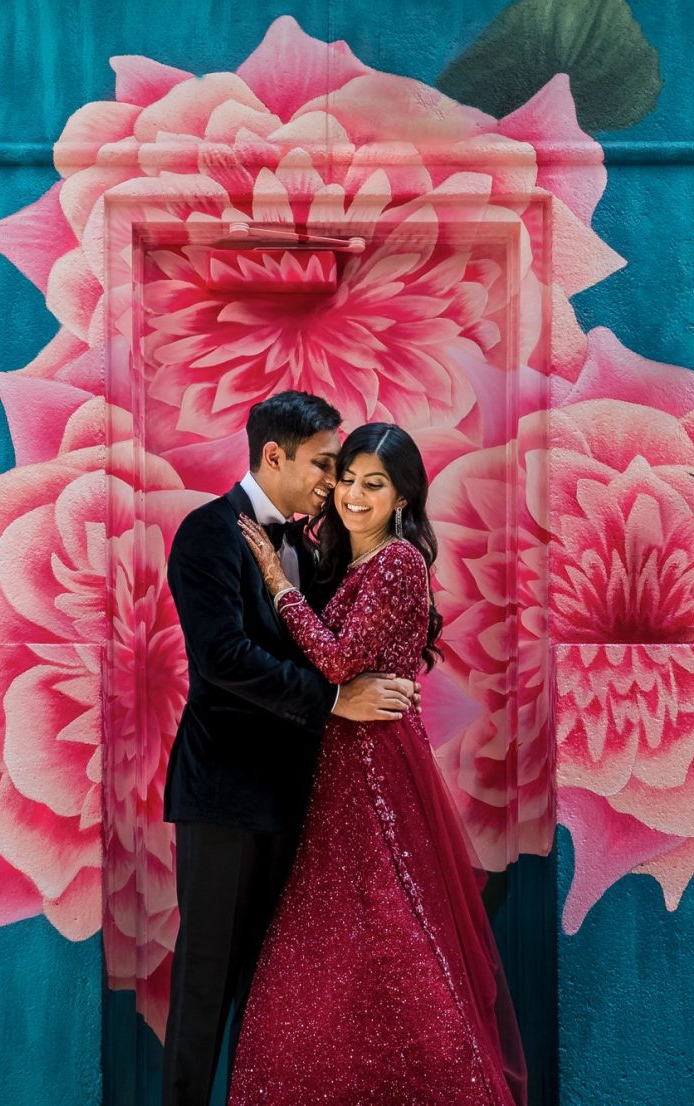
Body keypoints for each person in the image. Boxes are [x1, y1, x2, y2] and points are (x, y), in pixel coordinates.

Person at [228, 423, 528, 1106]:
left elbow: (334, 662)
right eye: (350, 481)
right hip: (340, 766)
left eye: (376, 485)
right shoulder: (353, 561)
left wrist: (276, 581)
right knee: (337, 934)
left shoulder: (396, 563)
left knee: (385, 924)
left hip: (372, 772)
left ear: (402, 499)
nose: (355, 496)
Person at [161, 392, 424, 1106]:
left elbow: (342, 645)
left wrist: (390, 679)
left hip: (302, 802)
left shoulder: (312, 547)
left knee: (280, 996)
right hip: (223, 796)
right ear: (272, 455)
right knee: (205, 984)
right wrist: (338, 699)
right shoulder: (206, 534)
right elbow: (222, 659)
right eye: (323, 465)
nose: (333, 483)